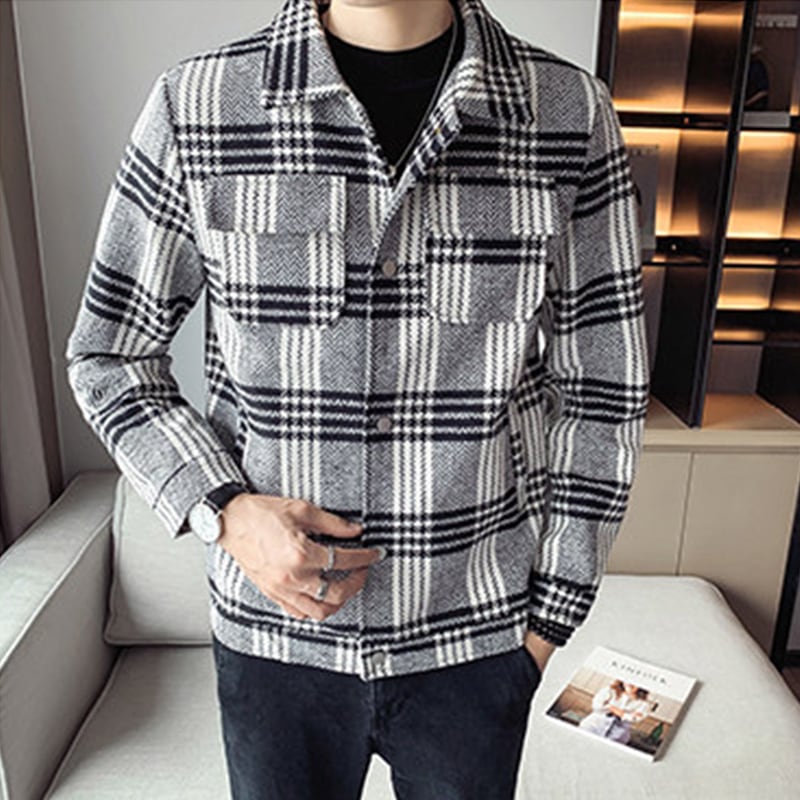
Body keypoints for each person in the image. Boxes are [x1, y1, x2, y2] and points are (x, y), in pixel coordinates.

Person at [64, 0, 649, 797]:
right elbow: (110, 353)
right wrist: (223, 510)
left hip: (476, 643)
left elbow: (605, 387)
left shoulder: (569, 114)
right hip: (275, 645)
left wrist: (549, 622)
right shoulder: (196, 106)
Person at [579, 680, 652, 744]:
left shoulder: (644, 704)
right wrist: (622, 713)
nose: (630, 683)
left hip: (617, 736)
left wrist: (609, 707)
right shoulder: (609, 690)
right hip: (592, 726)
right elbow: (597, 706)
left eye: (636, 682)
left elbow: (634, 719)